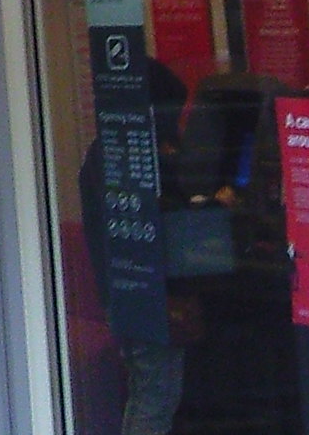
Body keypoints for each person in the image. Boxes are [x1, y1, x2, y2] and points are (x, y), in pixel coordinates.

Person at [80, 57, 193, 435]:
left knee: (147, 389)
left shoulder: (103, 153)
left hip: (123, 292)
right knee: (155, 395)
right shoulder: (125, 156)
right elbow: (157, 218)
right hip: (143, 293)